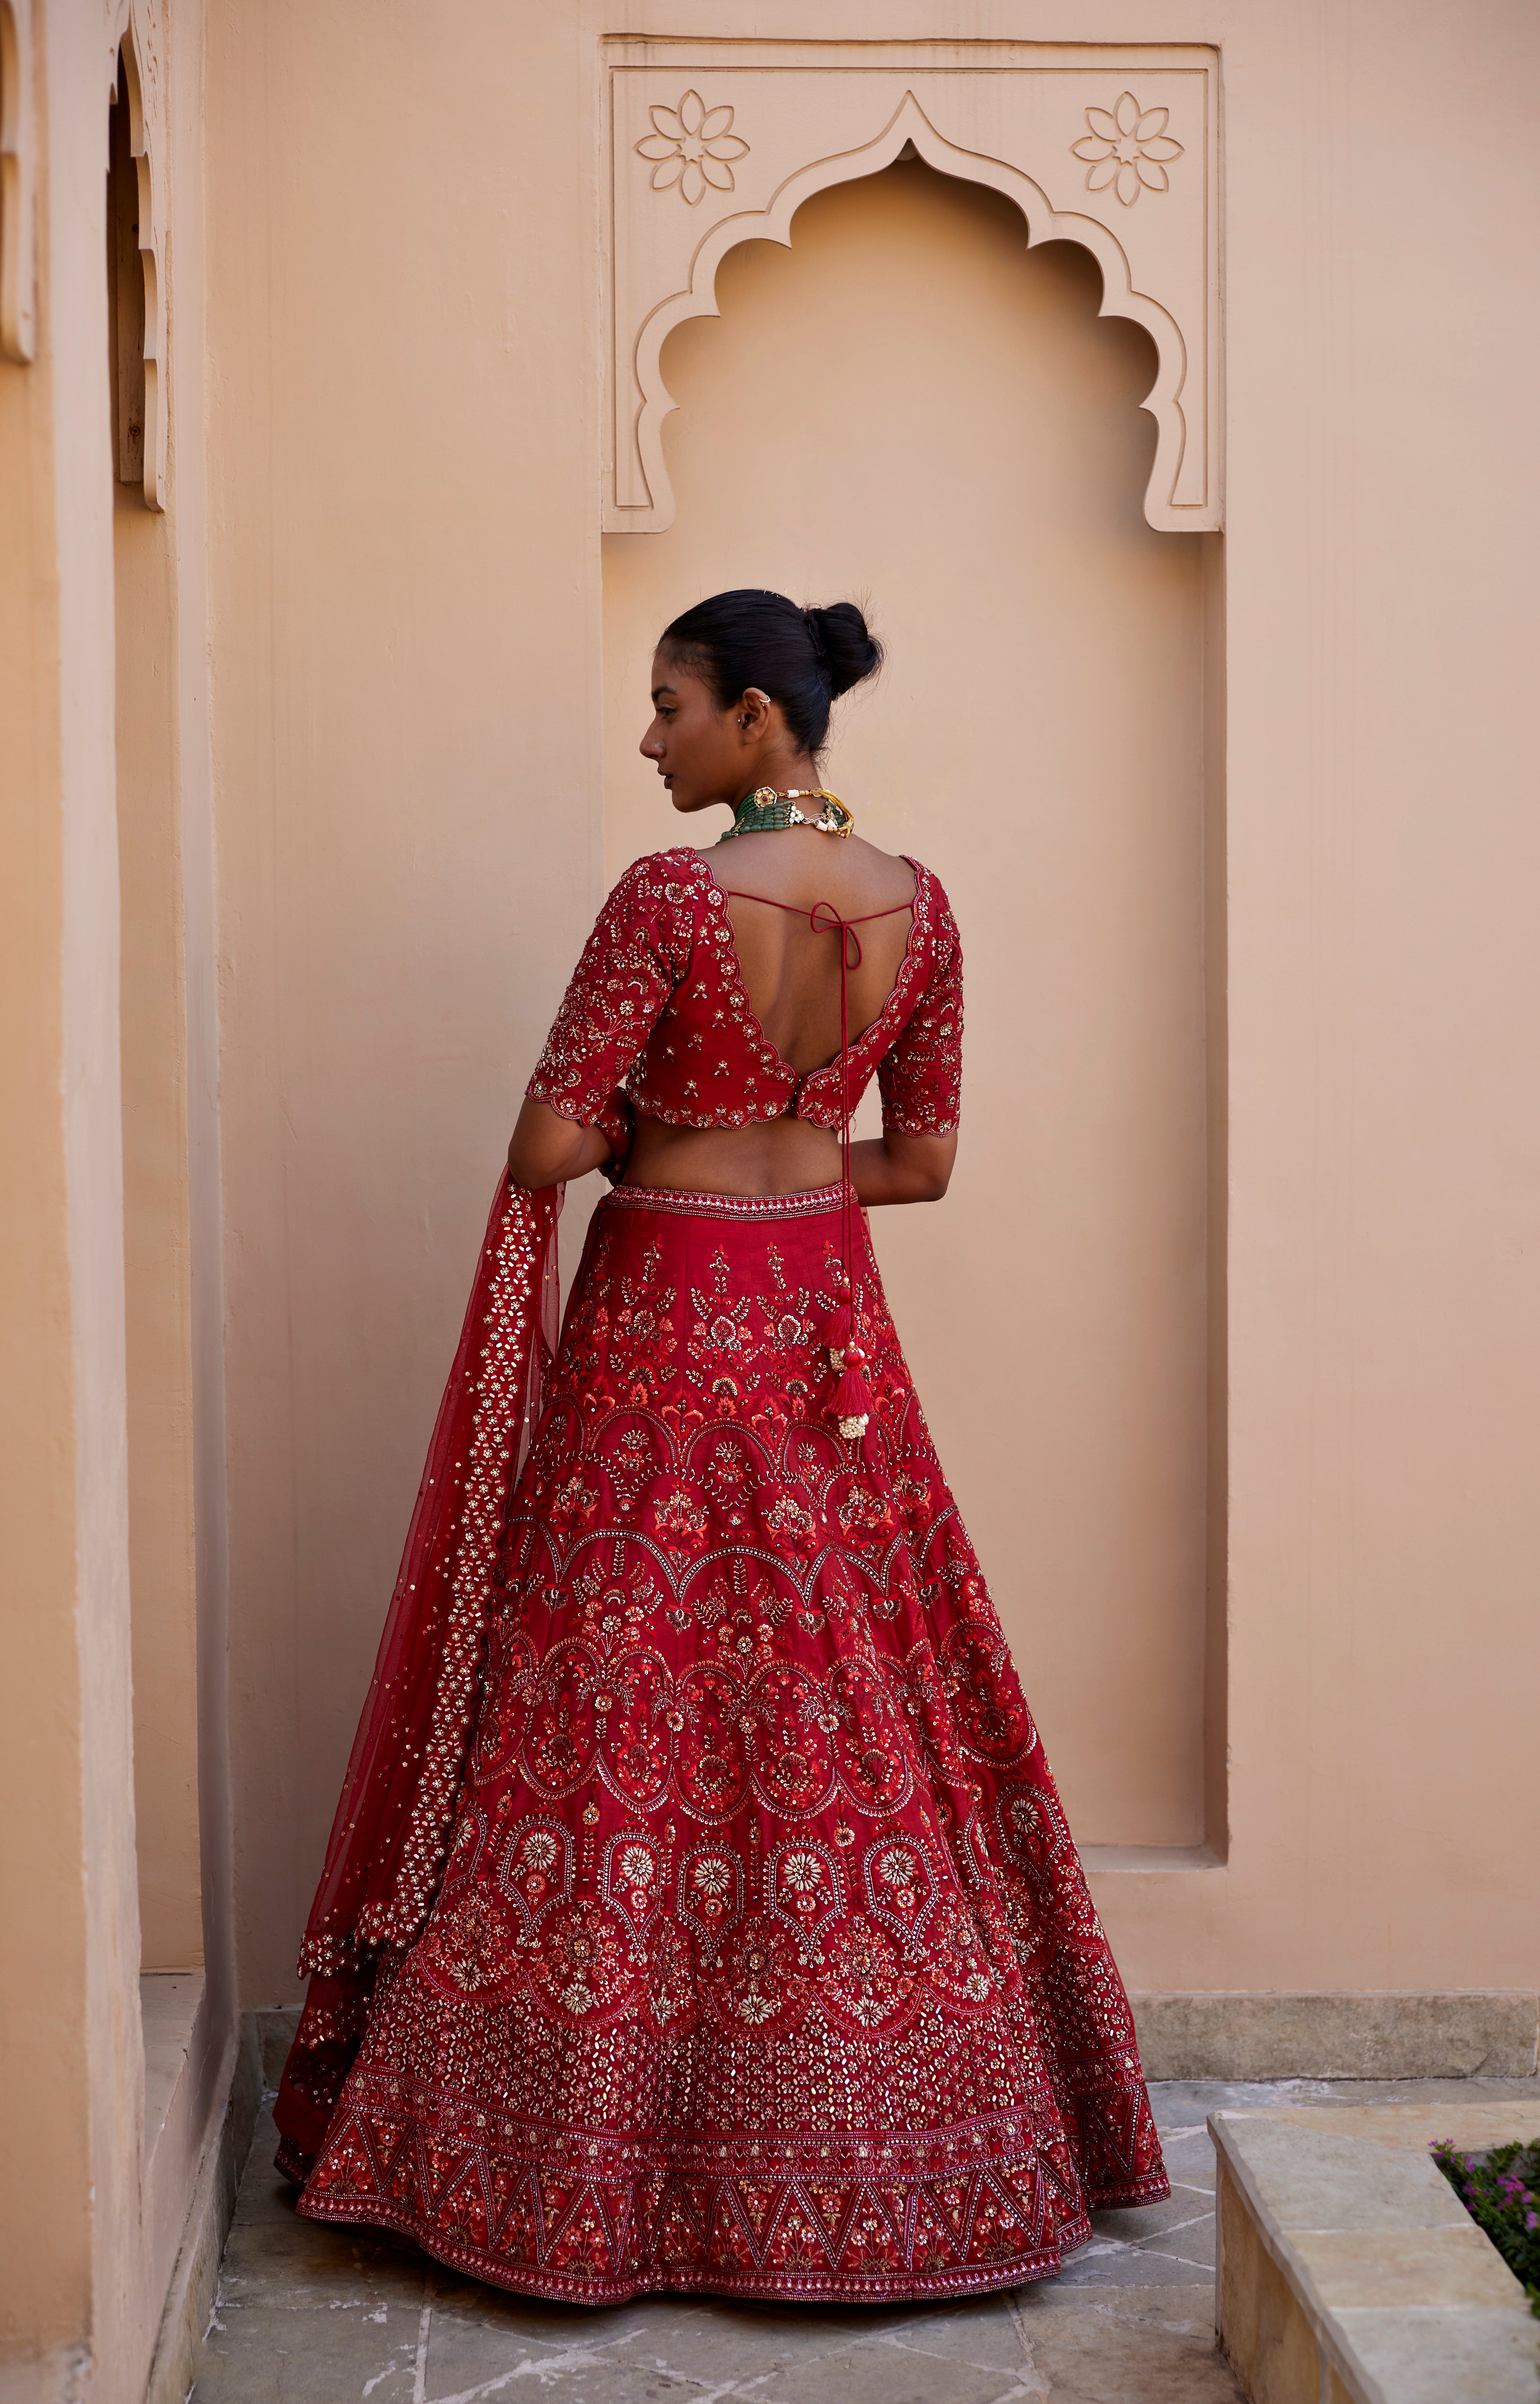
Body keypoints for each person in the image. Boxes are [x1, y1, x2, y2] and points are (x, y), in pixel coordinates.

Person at [272, 588, 1168, 2303]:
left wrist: (645, 1138)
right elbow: (925, 1165)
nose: (651, 737)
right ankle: (912, 2132)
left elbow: (544, 1149)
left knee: (624, 1705)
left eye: (672, 705)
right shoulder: (922, 905)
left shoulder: (670, 900)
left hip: (664, 1329)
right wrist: (792, 1163)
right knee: (848, 1687)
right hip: (828, 1329)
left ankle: (579, 2168)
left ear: (758, 719)